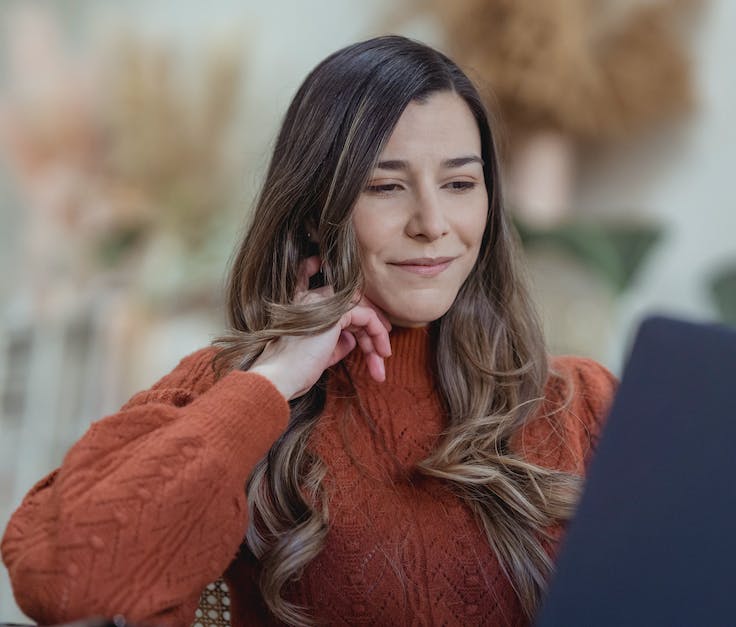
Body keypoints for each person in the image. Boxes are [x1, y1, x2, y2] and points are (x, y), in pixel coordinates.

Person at [1, 35, 616, 626]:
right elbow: (64, 580)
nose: (433, 223)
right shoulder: (232, 392)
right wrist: (273, 379)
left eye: (459, 183)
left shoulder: (583, 403)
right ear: (317, 211)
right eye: (385, 186)